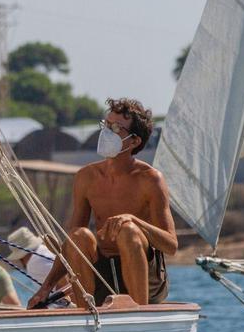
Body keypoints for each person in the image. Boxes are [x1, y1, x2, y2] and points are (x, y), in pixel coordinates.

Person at [29, 98, 175, 308]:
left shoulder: (151, 180)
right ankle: (87, 316)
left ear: (134, 141)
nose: (107, 132)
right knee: (79, 235)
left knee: (128, 231)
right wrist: (46, 287)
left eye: (116, 128)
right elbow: (72, 245)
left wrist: (133, 220)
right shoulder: (86, 177)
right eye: (106, 125)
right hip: (103, 277)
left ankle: (139, 316)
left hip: (146, 279)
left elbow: (171, 245)